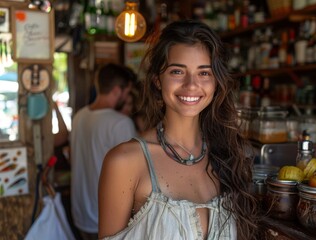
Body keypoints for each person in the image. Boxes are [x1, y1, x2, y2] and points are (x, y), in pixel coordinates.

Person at [98, 20, 260, 239]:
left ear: (216, 82)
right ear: (157, 80)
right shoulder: (125, 161)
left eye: (204, 73)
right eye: (177, 71)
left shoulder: (228, 154)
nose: (192, 85)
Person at [70, 63, 137, 240]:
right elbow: (134, 174)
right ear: (117, 90)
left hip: (81, 212)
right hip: (106, 216)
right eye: (127, 92)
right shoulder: (120, 123)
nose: (127, 96)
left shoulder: (79, 116)